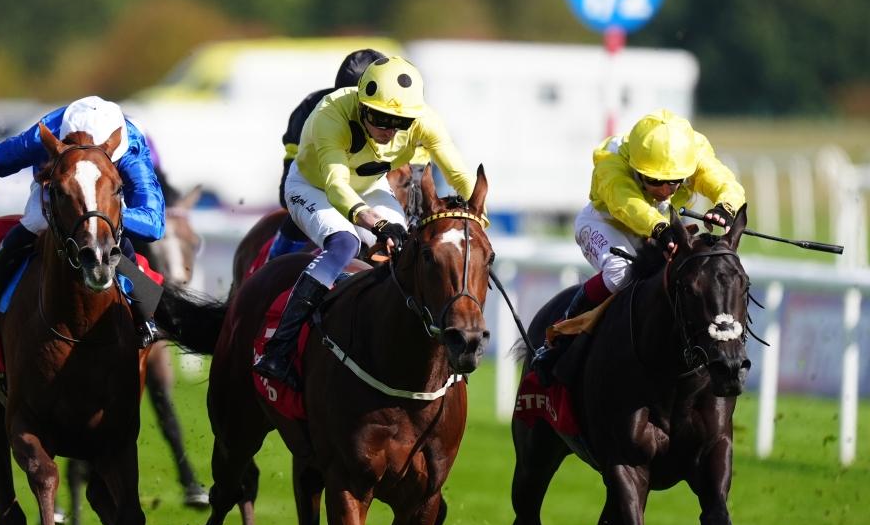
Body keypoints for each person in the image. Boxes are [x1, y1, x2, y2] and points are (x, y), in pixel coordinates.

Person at [253, 55, 484, 388]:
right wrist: (377, 224)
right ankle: (279, 347)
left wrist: (479, 220)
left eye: (399, 122)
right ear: (361, 106)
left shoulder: (425, 121)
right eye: (379, 118)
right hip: (313, 187)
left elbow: (461, 176)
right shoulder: (331, 113)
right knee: (345, 243)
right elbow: (336, 187)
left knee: (407, 247)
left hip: (369, 187)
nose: (389, 131)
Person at [529, 108, 747, 385]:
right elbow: (626, 204)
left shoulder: (693, 152)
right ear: (635, 167)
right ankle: (560, 338)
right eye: (654, 180)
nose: (665, 190)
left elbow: (726, 184)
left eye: (674, 181)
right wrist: (659, 228)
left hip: (660, 230)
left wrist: (725, 207)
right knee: (619, 273)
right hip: (606, 224)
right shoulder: (611, 161)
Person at [0, 96, 166, 348]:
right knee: (35, 220)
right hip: (61, 190)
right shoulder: (47, 131)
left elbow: (154, 223)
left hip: (105, 199)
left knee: (108, 232)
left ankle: (144, 313)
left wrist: (99, 213)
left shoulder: (131, 146)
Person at [263, 48, 387, 262]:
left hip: (363, 188)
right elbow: (293, 165)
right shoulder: (313, 108)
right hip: (320, 186)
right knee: (295, 219)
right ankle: (270, 265)